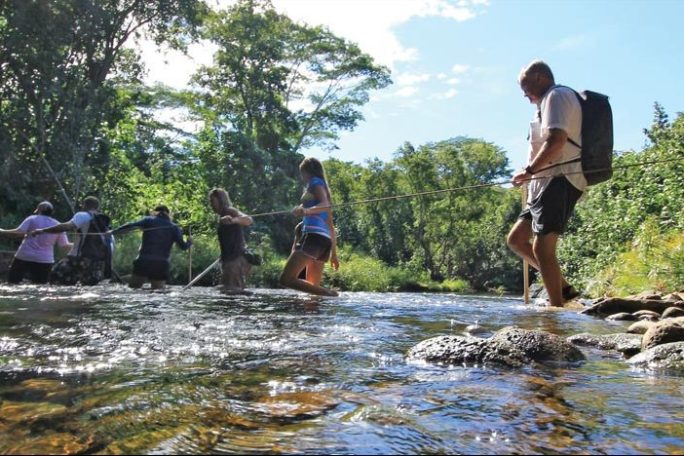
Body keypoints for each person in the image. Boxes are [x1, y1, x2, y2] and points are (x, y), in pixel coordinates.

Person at [507, 60, 585, 307]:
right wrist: (527, 173)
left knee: (542, 248)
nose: (524, 94)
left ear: (540, 77)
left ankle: (556, 312)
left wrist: (530, 171)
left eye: (526, 87)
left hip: (560, 179)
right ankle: (562, 288)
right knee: (517, 240)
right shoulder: (545, 104)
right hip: (542, 184)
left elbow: (556, 141)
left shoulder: (557, 96)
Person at [280, 157, 340, 297]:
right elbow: (331, 228)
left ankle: (331, 294)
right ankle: (314, 317)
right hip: (325, 242)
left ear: (307, 172)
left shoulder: (315, 182)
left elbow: (324, 204)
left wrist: (306, 211)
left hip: (313, 237)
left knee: (286, 279)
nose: (302, 177)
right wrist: (334, 255)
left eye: (302, 173)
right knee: (312, 292)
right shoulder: (323, 190)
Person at [30, 196, 111, 286]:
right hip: (97, 262)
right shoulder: (103, 221)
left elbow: (67, 226)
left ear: (84, 205)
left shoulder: (82, 215)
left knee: (55, 279)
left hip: (77, 258)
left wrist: (42, 230)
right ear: (97, 207)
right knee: (87, 288)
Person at [110, 205, 192, 290]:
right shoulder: (174, 227)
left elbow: (131, 226)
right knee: (158, 292)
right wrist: (189, 242)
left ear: (154, 212)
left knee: (133, 289)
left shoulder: (148, 220)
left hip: (144, 261)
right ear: (169, 214)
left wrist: (113, 232)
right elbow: (183, 247)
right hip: (161, 264)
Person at [0, 201, 72, 284]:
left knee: (12, 282)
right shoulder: (58, 225)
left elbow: (18, 233)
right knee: (40, 287)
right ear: (52, 212)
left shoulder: (32, 219)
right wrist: (79, 244)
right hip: (45, 260)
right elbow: (64, 245)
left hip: (24, 256)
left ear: (38, 210)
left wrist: (3, 231)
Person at [208, 188, 254, 294]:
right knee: (228, 291)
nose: (211, 204)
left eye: (212, 201)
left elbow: (248, 220)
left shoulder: (230, 211)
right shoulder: (221, 215)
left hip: (236, 259)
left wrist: (233, 220)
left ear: (220, 200)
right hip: (229, 259)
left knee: (232, 292)